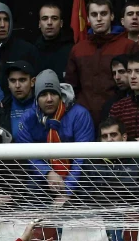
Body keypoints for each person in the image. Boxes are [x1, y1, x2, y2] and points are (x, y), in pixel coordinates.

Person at [14, 69, 95, 202]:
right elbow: (27, 155)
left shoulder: (80, 115)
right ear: (36, 98)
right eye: (44, 95)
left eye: (53, 93)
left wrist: (67, 189)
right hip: (43, 180)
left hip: (78, 179)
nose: (49, 99)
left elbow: (83, 157)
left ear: (60, 94)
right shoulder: (27, 119)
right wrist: (47, 173)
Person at [67, 0, 139, 113]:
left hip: (120, 113)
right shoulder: (78, 49)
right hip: (85, 116)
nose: (99, 18)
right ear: (88, 19)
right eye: (94, 15)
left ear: (112, 16)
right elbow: (71, 87)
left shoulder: (128, 46)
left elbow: (138, 83)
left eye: (104, 14)